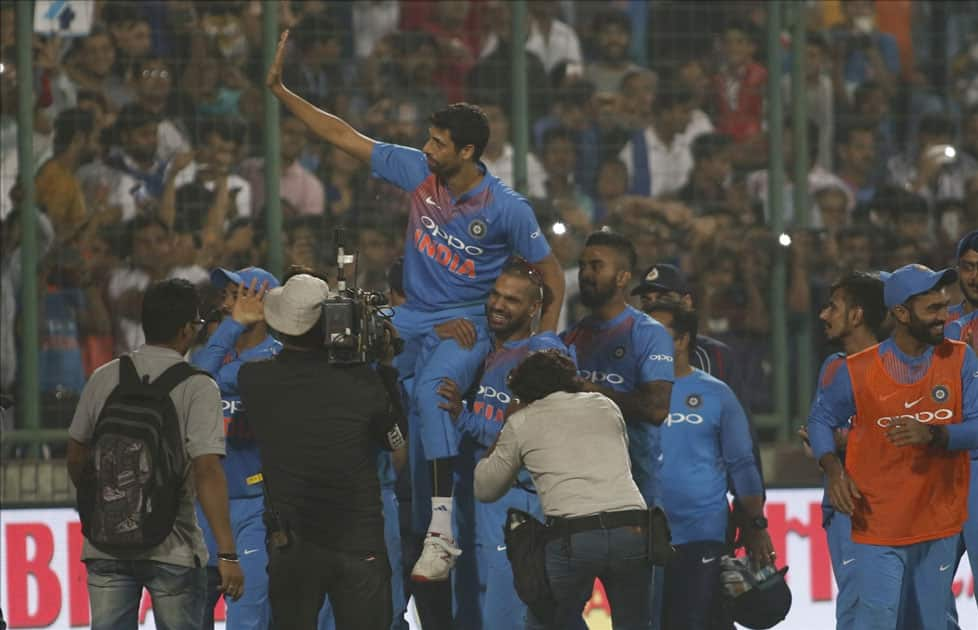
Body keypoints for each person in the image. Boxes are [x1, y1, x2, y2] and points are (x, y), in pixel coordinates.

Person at [267, 29, 565, 583]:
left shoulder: (508, 210)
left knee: (433, 395)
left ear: (467, 152)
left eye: (437, 143)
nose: (427, 150)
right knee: (343, 352)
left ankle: (440, 534)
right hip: (411, 315)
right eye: (427, 141)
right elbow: (342, 135)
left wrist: (540, 343)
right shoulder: (417, 173)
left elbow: (551, 276)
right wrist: (282, 92)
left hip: (466, 323)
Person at [66, 279, 244, 629]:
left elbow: (75, 453)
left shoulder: (105, 376)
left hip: (105, 543)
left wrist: (109, 499)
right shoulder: (198, 386)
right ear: (185, 331)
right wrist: (226, 553)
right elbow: (207, 469)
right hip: (173, 545)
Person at [808, 264, 978, 629]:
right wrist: (833, 469)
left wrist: (936, 435)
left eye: (945, 306)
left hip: (938, 523)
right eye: (932, 310)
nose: (943, 317)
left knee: (934, 622)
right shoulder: (858, 369)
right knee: (876, 621)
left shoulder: (961, 358)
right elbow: (820, 419)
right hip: (877, 525)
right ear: (901, 313)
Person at [238, 273, 406, 630]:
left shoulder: (254, 380)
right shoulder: (364, 382)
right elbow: (396, 443)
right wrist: (386, 367)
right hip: (359, 542)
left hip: (292, 545)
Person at [473, 349, 652, 629]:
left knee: (548, 622)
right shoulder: (605, 406)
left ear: (524, 392)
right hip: (632, 528)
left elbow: (484, 488)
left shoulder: (522, 420)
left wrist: (504, 426)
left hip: (574, 536)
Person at [436, 260, 568, 629]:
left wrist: (464, 418)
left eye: (512, 299)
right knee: (473, 604)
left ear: (533, 309)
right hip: (477, 496)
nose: (498, 304)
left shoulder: (542, 356)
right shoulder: (480, 346)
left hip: (521, 500)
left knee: (509, 611)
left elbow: (525, 434)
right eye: (496, 294)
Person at [560, 230, 672, 627]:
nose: (586, 274)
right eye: (584, 265)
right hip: (574, 504)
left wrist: (595, 393)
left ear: (623, 278)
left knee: (633, 621)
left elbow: (657, 407)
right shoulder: (568, 338)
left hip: (633, 504)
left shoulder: (648, 333)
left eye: (597, 266)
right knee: (554, 616)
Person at [644, 302, 771, 630]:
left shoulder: (717, 395)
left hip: (700, 532)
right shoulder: (633, 394)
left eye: (657, 335)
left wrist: (757, 526)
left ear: (683, 340)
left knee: (694, 623)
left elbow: (743, 465)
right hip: (642, 533)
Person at [192, 267, 281, 629]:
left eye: (235, 295)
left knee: (247, 614)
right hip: (203, 502)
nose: (226, 304)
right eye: (226, 296)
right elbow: (194, 383)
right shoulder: (219, 349)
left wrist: (219, 358)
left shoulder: (277, 354)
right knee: (189, 616)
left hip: (254, 503)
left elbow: (205, 381)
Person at [800, 271, 888, 629]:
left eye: (832, 307)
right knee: (854, 604)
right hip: (846, 503)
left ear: (857, 315)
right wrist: (830, 451)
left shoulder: (901, 364)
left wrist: (847, 439)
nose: (823, 315)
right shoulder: (834, 366)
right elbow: (817, 433)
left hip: (895, 500)